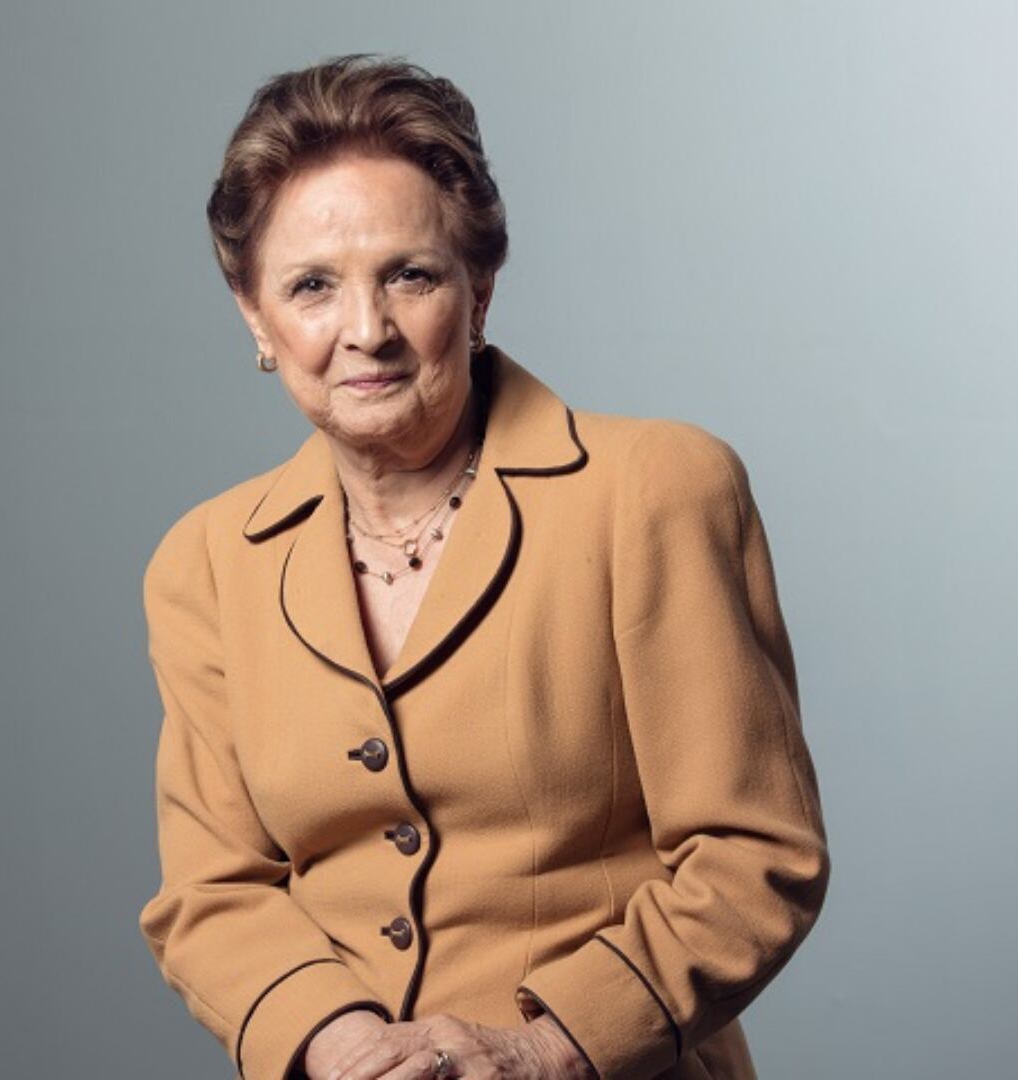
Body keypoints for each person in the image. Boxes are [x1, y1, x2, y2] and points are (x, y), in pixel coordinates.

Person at [138, 53, 830, 1080]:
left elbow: (755, 855)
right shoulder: (206, 563)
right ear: (255, 315)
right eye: (312, 287)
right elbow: (211, 893)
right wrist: (343, 1047)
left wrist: (545, 1049)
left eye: (409, 275)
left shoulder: (654, 490)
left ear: (480, 290)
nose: (365, 332)